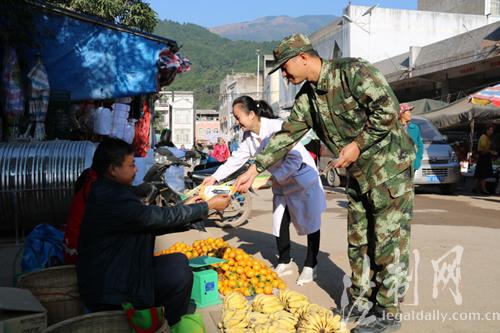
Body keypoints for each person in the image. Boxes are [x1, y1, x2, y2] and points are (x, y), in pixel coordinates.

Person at [235, 34, 416, 333]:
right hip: (358, 175)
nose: (284, 74)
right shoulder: (306, 98)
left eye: (285, 66)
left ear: (303, 58)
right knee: (358, 242)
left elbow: (386, 110)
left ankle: (387, 313)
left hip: (389, 169)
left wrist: (357, 145)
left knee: (387, 241)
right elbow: (287, 134)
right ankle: (360, 301)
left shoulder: (353, 72)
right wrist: (255, 168)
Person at [76, 138, 230, 326]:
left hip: (119, 269)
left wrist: (188, 208)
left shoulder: (110, 190)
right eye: (131, 165)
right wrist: (207, 207)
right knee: (180, 276)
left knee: (179, 259)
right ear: (113, 170)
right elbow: (157, 218)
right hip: (111, 288)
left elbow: (153, 219)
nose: (136, 169)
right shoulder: (112, 198)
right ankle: (165, 325)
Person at [203, 96, 326, 285]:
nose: (236, 122)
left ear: (251, 115)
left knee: (311, 222)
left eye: (238, 117)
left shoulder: (278, 128)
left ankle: (311, 264)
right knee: (279, 220)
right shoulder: (250, 139)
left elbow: (294, 159)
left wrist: (269, 180)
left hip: (302, 179)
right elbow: (236, 159)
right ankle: (284, 261)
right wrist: (215, 177)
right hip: (281, 183)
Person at [399, 103, 424, 171]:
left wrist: (418, 158)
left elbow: (420, 145)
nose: (410, 113)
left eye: (410, 111)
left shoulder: (415, 128)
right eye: (408, 111)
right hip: (398, 166)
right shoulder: (395, 128)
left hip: (412, 164)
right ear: (401, 113)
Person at [474, 125, 497, 194]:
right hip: (483, 157)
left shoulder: (487, 137)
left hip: (485, 157)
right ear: (486, 130)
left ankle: (476, 188)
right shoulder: (484, 137)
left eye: (492, 130)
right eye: (489, 130)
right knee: (483, 175)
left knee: (481, 174)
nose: (491, 131)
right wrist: (491, 152)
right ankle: (483, 190)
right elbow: (484, 147)